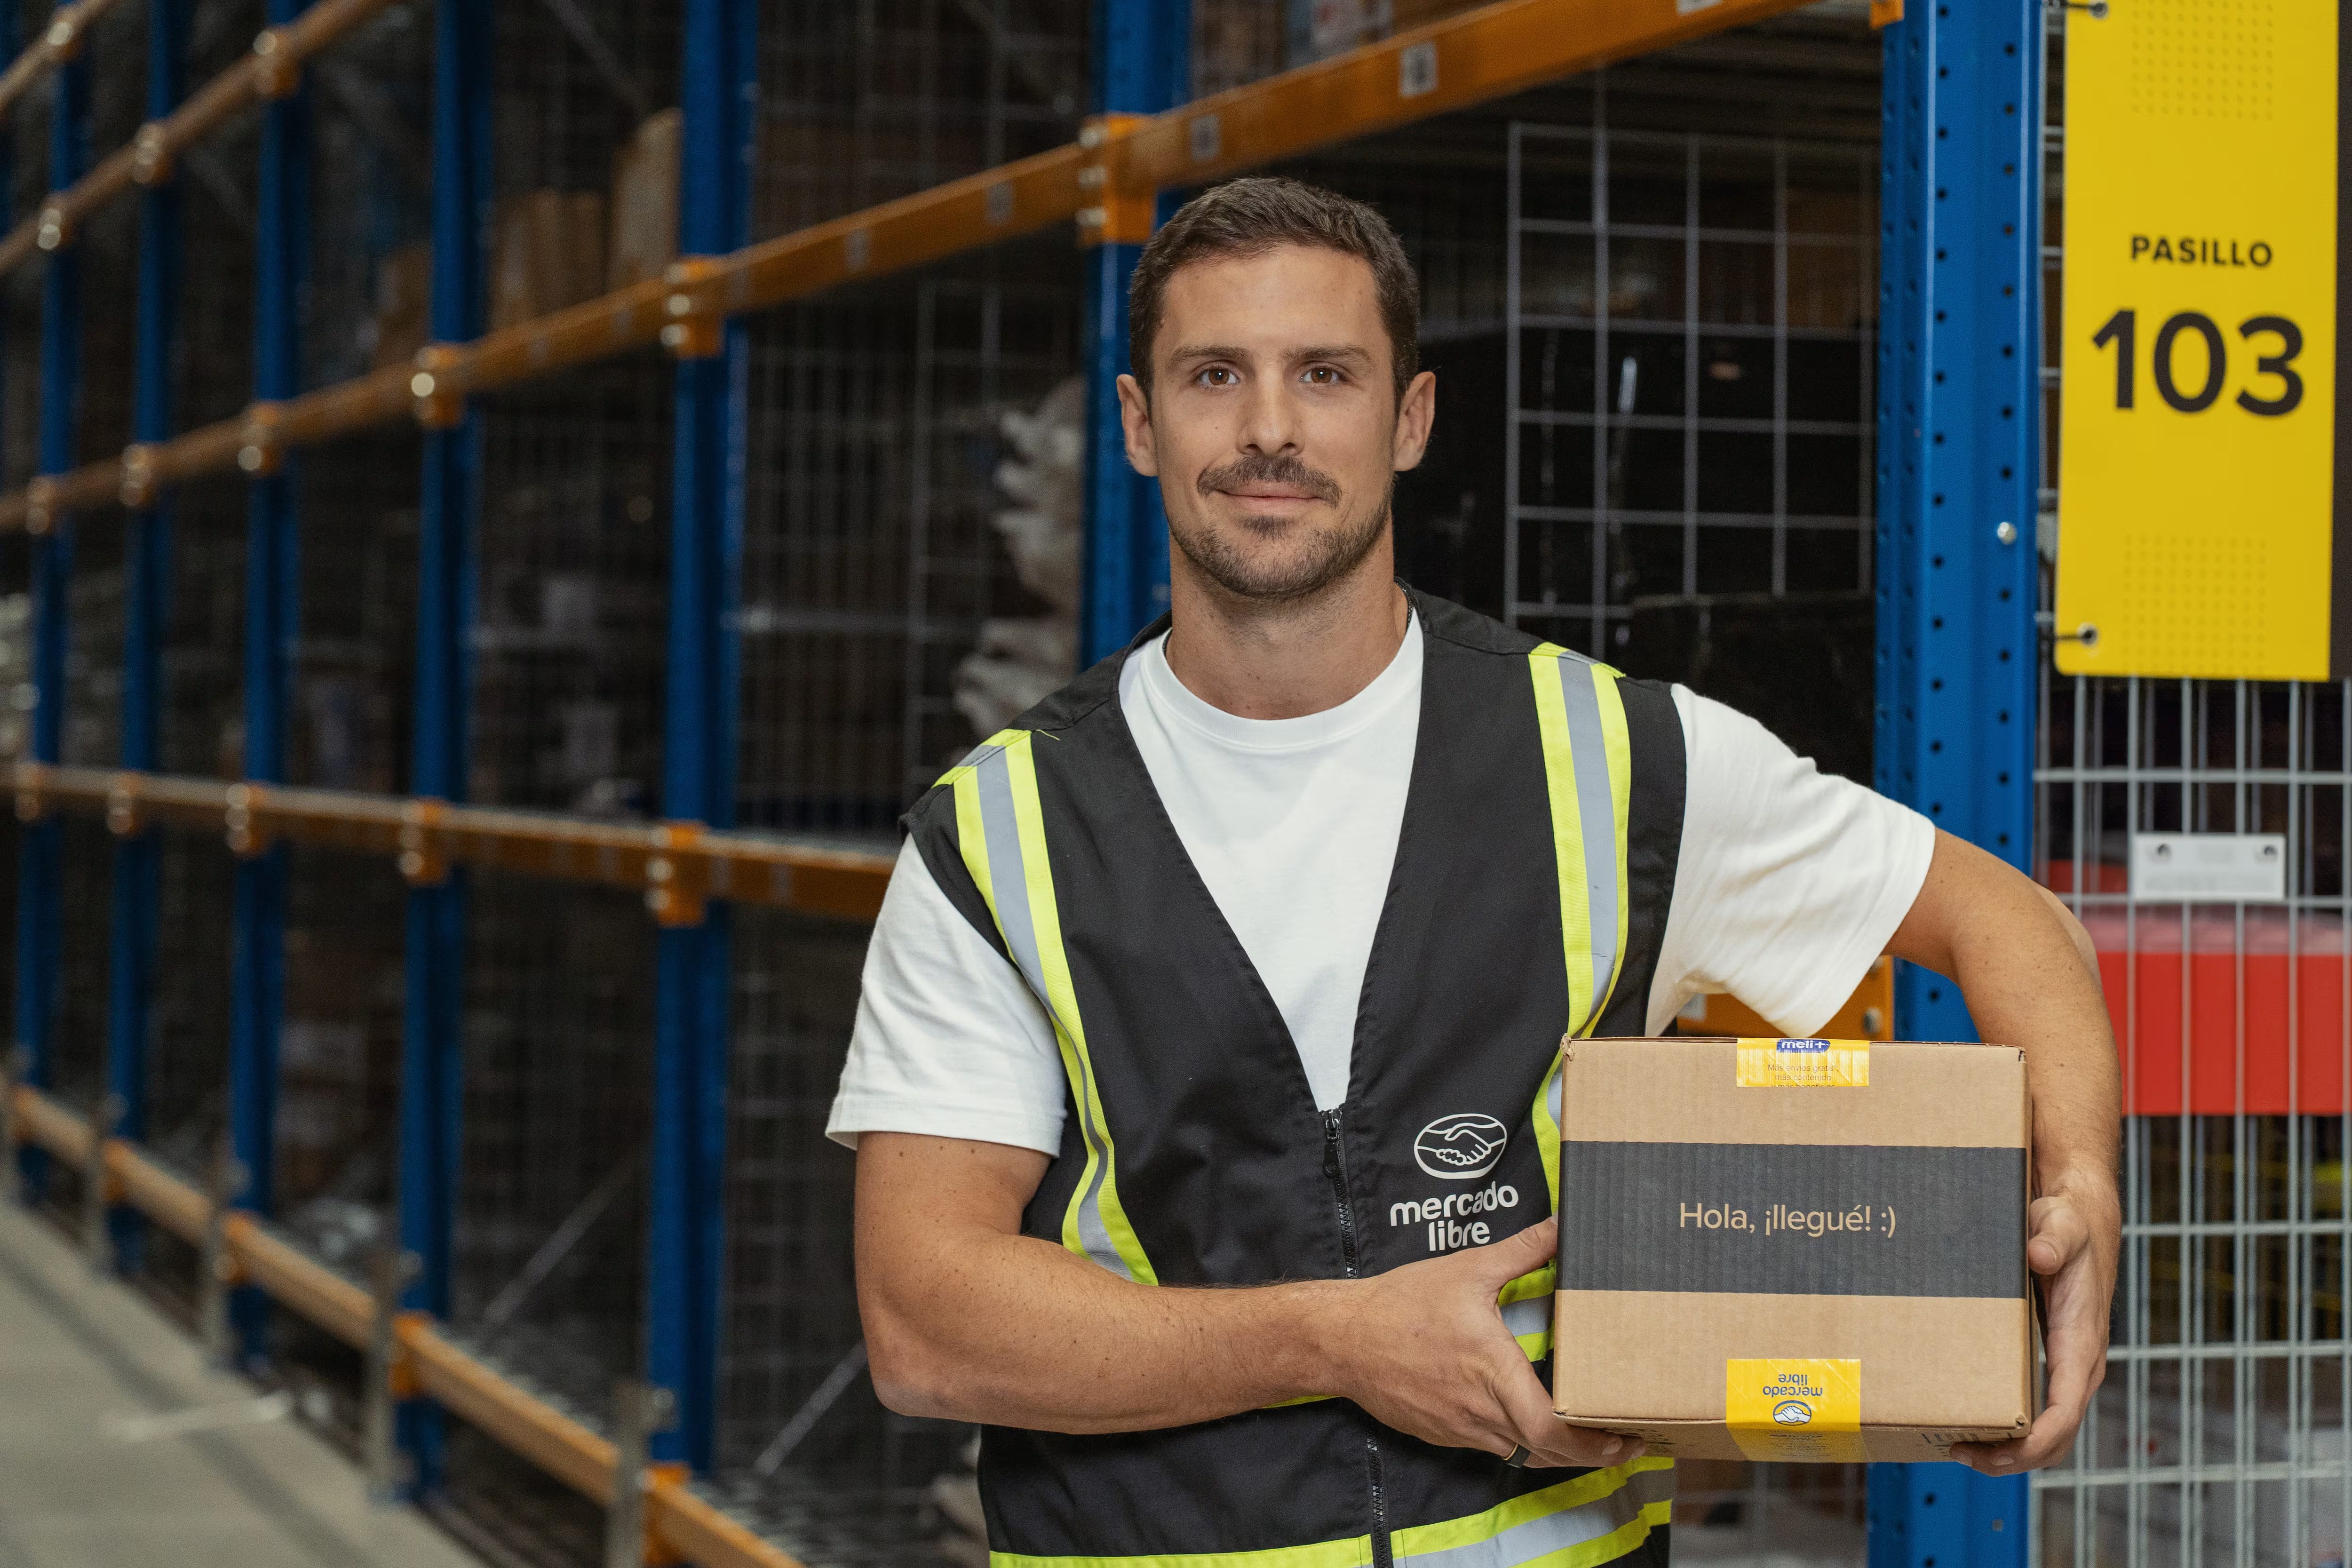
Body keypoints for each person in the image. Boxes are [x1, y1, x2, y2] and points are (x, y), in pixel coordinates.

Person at [833, 176, 2120, 1567]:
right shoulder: (1002, 833)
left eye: (1326, 375)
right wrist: (1334, 1339)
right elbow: (925, 1325)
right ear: (1142, 427)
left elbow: (2013, 921)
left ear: (1410, 419)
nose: (1271, 428)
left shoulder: (1626, 761)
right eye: (1216, 376)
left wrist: (2082, 1186)